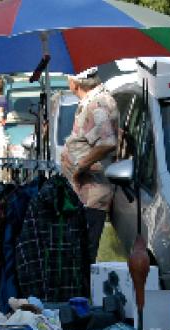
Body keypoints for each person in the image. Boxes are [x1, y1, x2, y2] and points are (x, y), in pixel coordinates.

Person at [61, 67, 119, 263]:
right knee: (82, 250)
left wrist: (79, 168)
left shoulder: (96, 105)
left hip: (91, 194)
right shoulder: (94, 101)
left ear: (74, 83)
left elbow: (107, 142)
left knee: (84, 253)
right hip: (86, 192)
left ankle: (84, 292)